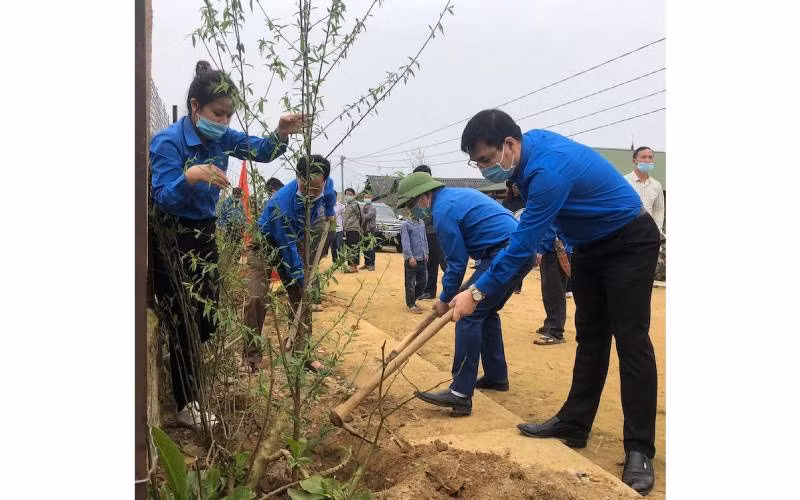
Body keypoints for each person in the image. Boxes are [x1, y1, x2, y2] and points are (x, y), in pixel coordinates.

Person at [448, 109, 660, 495]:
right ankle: (575, 423)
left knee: (631, 341)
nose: (483, 170)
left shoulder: (548, 171)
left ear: (509, 145)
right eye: (476, 162)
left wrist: (477, 292)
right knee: (591, 336)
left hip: (629, 241)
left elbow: (521, 246)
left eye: (485, 160)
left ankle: (639, 449)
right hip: (590, 247)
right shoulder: (527, 158)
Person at [149, 60, 303, 429]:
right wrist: (190, 178)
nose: (223, 122)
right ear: (194, 107)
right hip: (171, 236)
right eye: (217, 113)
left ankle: (182, 371)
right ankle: (187, 402)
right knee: (184, 319)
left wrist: (281, 134)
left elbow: (261, 151)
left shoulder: (222, 138)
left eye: (229, 116)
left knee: (206, 319)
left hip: (203, 232)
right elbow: (161, 198)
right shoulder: (168, 142)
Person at [396, 172, 531, 417]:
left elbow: (456, 263)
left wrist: (446, 299)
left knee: (466, 313)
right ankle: (496, 376)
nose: (411, 211)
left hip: (504, 253)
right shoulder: (454, 197)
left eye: (411, 205)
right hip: (516, 251)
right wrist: (451, 295)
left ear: (424, 196)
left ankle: (459, 394)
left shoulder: (443, 211)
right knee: (485, 311)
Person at [240, 155, 331, 368]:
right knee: (256, 298)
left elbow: (329, 198)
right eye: (307, 188)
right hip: (266, 243)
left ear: (324, 181)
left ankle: (303, 355)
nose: (311, 194)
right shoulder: (282, 203)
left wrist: (329, 214)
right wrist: (300, 278)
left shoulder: (327, 185)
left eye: (316, 190)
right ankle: (250, 357)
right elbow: (287, 248)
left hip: (293, 238)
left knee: (301, 298)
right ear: (298, 177)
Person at [533, 226, 573, 345]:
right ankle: (551, 323)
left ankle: (556, 331)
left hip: (554, 250)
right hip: (559, 249)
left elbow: (551, 226)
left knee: (553, 291)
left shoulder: (550, 207)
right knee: (552, 289)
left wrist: (540, 249)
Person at [413, 165, 447, 299]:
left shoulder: (435, 190)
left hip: (435, 231)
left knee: (437, 262)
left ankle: (434, 291)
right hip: (426, 231)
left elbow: (434, 211)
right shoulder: (422, 191)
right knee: (436, 262)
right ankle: (431, 290)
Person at [624, 146, 665, 236]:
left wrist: (657, 230)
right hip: (627, 231)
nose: (647, 160)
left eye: (650, 157)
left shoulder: (656, 185)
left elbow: (658, 210)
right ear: (634, 161)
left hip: (648, 233)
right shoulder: (624, 182)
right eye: (643, 157)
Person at [400, 208, 428, 313]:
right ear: (409, 211)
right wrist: (409, 256)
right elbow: (405, 242)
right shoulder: (406, 225)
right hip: (412, 260)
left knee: (423, 282)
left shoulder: (421, 222)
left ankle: (413, 298)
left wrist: (426, 252)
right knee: (410, 283)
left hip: (422, 258)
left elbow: (424, 239)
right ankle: (411, 304)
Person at [342, 188, 363, 273]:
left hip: (354, 229)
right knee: (349, 248)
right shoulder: (347, 205)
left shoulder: (355, 204)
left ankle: (354, 266)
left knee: (354, 247)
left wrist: (359, 226)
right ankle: (351, 265)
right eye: (347, 194)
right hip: (348, 229)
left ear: (354, 195)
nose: (348, 196)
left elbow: (361, 216)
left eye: (350, 194)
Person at [360, 192, 377, 271]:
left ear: (371, 197)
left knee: (371, 247)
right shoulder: (364, 207)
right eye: (365, 197)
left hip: (370, 229)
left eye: (368, 197)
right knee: (365, 247)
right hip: (364, 230)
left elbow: (367, 216)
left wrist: (360, 216)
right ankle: (366, 263)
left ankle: (372, 264)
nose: (366, 198)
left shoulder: (372, 208)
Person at [330, 193, 345, 262]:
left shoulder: (341, 206)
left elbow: (344, 217)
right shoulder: (328, 206)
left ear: (336, 196)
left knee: (340, 247)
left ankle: (341, 262)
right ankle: (335, 262)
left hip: (339, 229)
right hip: (331, 230)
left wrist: (344, 228)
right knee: (333, 248)